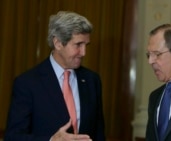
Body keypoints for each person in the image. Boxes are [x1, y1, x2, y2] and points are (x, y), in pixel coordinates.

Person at [4, 11, 105, 141]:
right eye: (78, 45)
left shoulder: (92, 81)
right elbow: (13, 137)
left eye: (86, 45)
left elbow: (99, 134)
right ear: (58, 43)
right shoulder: (27, 83)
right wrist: (51, 140)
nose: (84, 52)